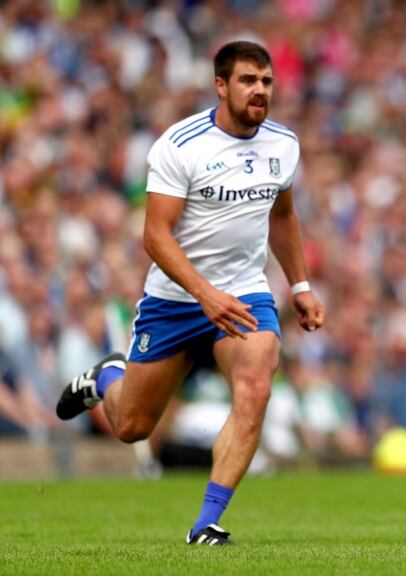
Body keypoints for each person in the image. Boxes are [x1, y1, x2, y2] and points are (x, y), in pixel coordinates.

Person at [56, 41, 325, 546]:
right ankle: (109, 374)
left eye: (266, 81)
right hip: (175, 301)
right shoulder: (181, 144)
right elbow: (155, 235)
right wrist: (203, 294)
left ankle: (208, 521)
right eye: (248, 80)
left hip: (245, 293)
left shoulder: (284, 143)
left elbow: (283, 216)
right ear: (220, 85)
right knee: (132, 427)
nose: (260, 90)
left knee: (256, 387)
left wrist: (301, 286)